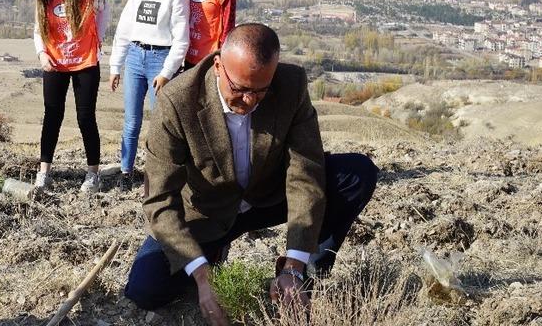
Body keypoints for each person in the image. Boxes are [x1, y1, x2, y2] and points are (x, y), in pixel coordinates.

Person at [123, 24, 378, 325]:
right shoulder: (177, 101)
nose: (250, 101)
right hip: (206, 213)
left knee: (356, 173)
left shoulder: (291, 84)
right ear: (218, 65)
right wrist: (202, 276)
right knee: (145, 290)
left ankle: (305, 277)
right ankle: (212, 254)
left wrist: (293, 266)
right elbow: (160, 199)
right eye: (240, 89)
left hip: (267, 198)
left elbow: (305, 171)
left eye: (260, 91)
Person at [109, 0, 189, 192]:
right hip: (135, 56)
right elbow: (124, 29)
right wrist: (116, 65)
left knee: (160, 124)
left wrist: (166, 73)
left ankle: (159, 175)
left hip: (160, 59)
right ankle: (126, 171)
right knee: (131, 121)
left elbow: (181, 39)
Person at [32, 0, 109, 193]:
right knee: (52, 116)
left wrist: (98, 38)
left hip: (85, 63)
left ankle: (93, 174)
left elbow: (105, 12)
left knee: (85, 118)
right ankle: (44, 172)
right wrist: (42, 54)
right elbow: (37, 30)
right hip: (55, 63)